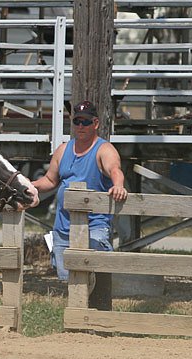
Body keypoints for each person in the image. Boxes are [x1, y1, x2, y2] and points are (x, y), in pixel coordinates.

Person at [30, 100, 128, 280]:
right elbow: (50, 180)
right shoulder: (63, 149)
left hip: (94, 226)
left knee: (93, 277)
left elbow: (115, 169)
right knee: (66, 278)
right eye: (77, 121)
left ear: (96, 123)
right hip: (63, 227)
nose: (81, 126)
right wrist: (29, 185)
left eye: (86, 122)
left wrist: (118, 185)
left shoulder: (104, 149)